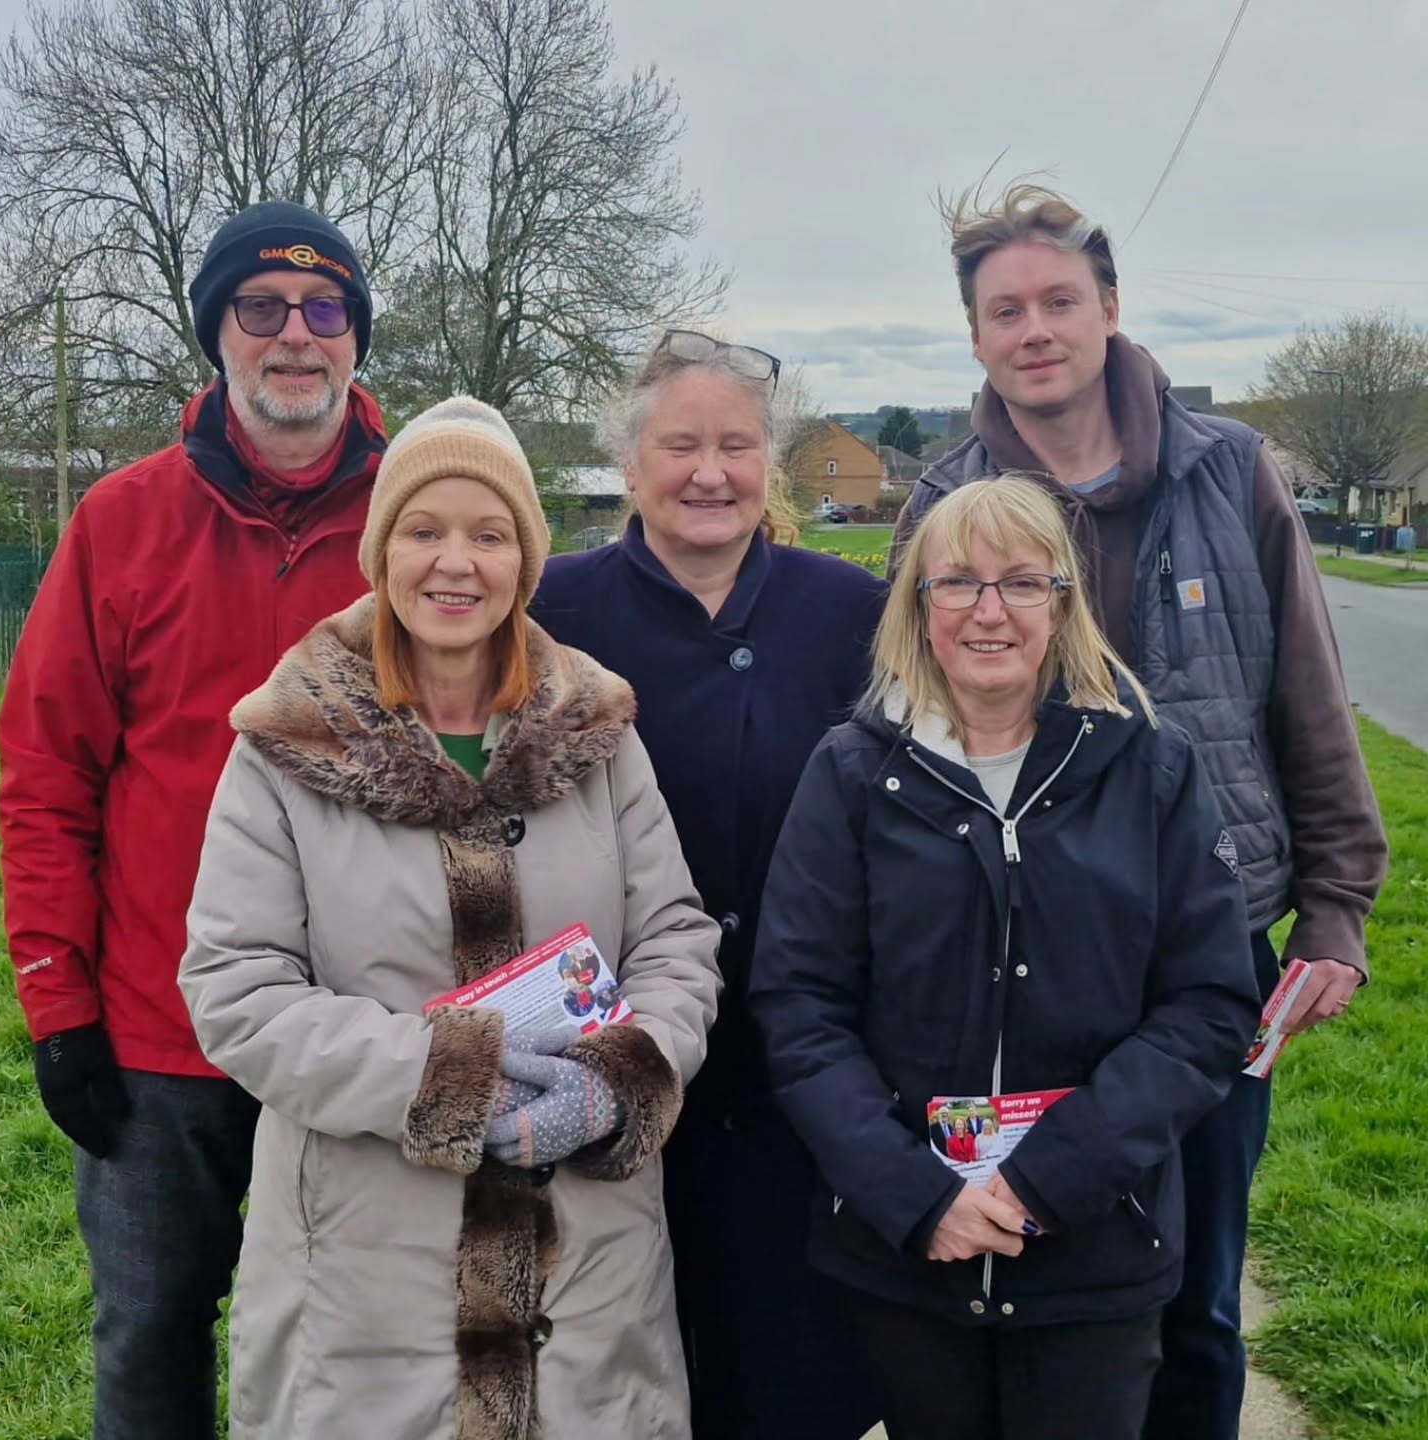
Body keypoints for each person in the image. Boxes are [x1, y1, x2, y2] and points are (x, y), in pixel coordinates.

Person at [890, 183, 1388, 1440]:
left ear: (1109, 309)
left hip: (1209, 957)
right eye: (1006, 309)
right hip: (1015, 963)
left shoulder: (1233, 473)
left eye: (1061, 300)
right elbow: (904, 719)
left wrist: (1333, 912)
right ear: (976, 336)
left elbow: (1308, 700)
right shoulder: (939, 503)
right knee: (1038, 1282)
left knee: (1197, 1294)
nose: (1036, 328)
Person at [179, 396, 722, 1440]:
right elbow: (238, 989)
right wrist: (454, 1080)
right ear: (383, 552)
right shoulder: (288, 747)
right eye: (426, 531)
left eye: (490, 534)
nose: (455, 564)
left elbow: (677, 941)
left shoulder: (598, 733)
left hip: (587, 1267)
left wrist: (620, 1077)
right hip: (367, 1264)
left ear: (527, 557)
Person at [752, 475, 1262, 1440]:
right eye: (958, 584)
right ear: (918, 607)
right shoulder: (853, 775)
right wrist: (915, 1196)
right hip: (909, 1251)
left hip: (1096, 1248)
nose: (990, 612)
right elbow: (799, 1004)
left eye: (1023, 583)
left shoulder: (1151, 769)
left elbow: (1206, 1007)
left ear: (1063, 606)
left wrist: (1047, 1180)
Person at [0, 199, 388, 1440]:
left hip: (356, 1027)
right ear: (216, 331)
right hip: (161, 1040)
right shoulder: (121, 522)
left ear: (356, 342)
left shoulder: (417, 526)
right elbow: (46, 773)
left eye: (325, 311)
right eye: (260, 308)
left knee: (358, 1346)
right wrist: (58, 1003)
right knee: (154, 1334)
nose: (294, 337)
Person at [532, 329, 886, 1439]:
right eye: (681, 446)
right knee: (620, 1355)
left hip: (801, 1057)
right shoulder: (551, 609)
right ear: (631, 467)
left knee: (788, 1369)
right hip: (611, 1046)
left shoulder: (846, 610)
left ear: (767, 468)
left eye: (737, 446)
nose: (710, 472)